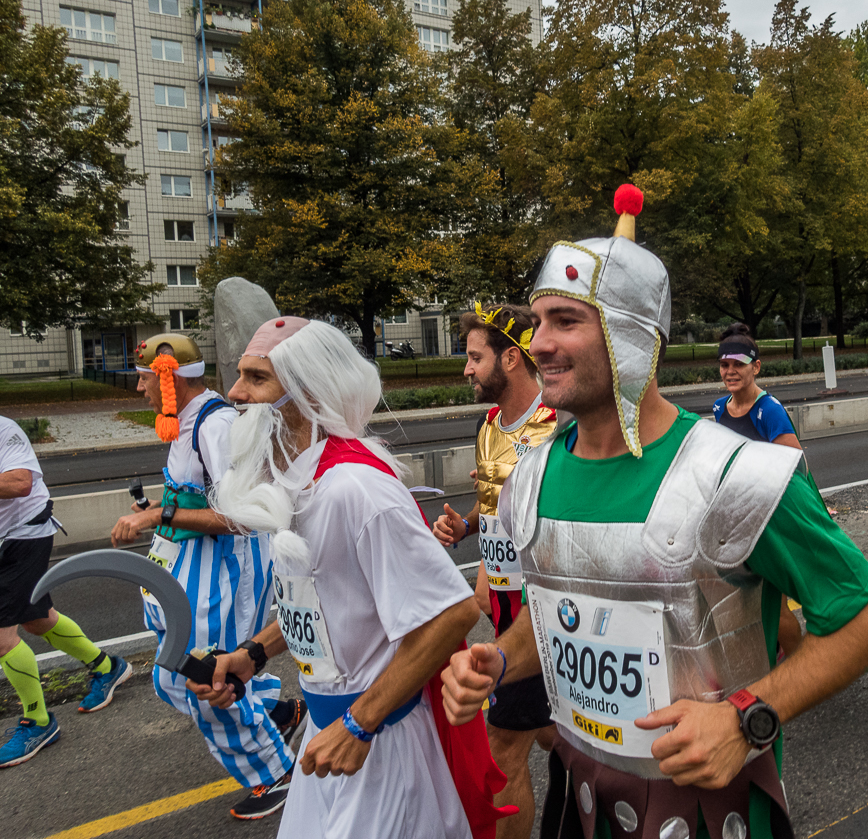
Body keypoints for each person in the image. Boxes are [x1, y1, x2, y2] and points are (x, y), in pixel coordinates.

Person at [442, 185, 868, 839]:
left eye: (566, 321)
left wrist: (748, 718)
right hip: (578, 805)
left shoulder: (732, 475)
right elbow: (560, 610)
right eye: (538, 321)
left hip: (710, 817)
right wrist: (501, 660)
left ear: (633, 338)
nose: (538, 342)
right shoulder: (533, 473)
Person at [194, 316, 503, 839]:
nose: (234, 392)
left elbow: (453, 612)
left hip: (381, 746)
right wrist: (252, 655)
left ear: (307, 392)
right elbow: (327, 602)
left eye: (256, 378)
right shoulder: (295, 483)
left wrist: (359, 724)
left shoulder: (355, 490)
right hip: (330, 734)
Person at [109, 333, 302, 820]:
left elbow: (245, 515)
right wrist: (158, 511)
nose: (139, 389)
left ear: (168, 376)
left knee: (202, 674)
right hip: (190, 568)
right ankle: (276, 714)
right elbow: (193, 498)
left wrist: (158, 517)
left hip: (223, 571)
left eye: (144, 378)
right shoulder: (188, 423)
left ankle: (276, 775)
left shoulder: (214, 426)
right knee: (174, 676)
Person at [433, 303, 558, 839]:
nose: (466, 369)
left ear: (511, 357)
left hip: (546, 617)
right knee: (558, 735)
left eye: (474, 357)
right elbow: (496, 504)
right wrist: (467, 529)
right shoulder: (489, 424)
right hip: (504, 612)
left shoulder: (558, 423)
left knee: (503, 746)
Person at [0, 416, 131, 767]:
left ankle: (39, 722)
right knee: (38, 621)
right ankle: (107, 667)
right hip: (3, 539)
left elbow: (20, 482)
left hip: (25, 534)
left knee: (1, 637)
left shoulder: (4, 429)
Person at [711, 322, 805, 659]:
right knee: (748, 602)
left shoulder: (769, 410)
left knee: (775, 608)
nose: (731, 371)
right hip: (738, 520)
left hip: (770, 522)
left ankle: (801, 672)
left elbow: (795, 467)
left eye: (739, 364)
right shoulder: (720, 408)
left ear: (756, 367)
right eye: (725, 364)